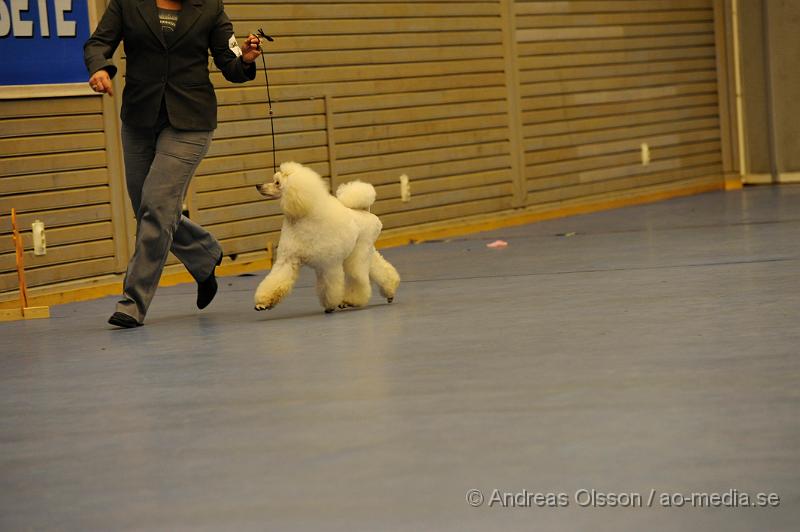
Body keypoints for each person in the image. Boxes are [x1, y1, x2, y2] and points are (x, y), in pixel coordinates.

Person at [84, 0, 262, 328]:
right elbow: (99, 43)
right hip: (139, 118)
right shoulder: (127, 3)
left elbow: (230, 61)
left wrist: (245, 59)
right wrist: (100, 68)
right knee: (148, 207)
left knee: (156, 206)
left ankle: (133, 302)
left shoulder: (209, 7)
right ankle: (203, 252)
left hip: (191, 120)